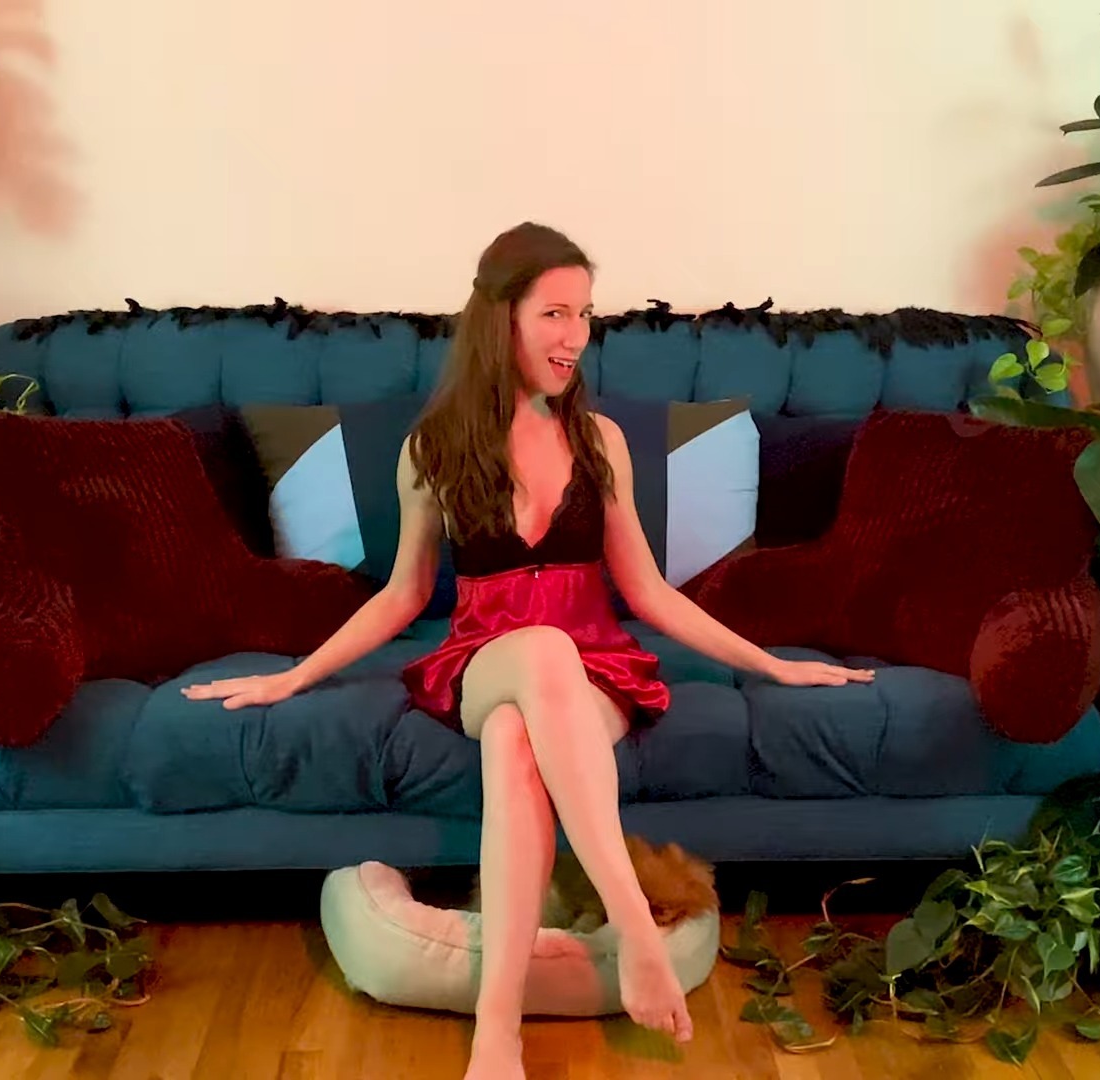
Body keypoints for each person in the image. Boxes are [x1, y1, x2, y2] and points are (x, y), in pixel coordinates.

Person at [184, 223, 875, 1078]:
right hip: (488, 656)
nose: (575, 336)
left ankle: (496, 1030)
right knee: (537, 652)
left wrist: (771, 664)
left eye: (585, 314)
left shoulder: (600, 442)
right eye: (555, 313)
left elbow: (648, 592)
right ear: (501, 318)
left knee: (518, 740)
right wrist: (293, 677)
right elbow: (403, 595)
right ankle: (635, 926)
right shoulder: (433, 448)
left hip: (596, 667)